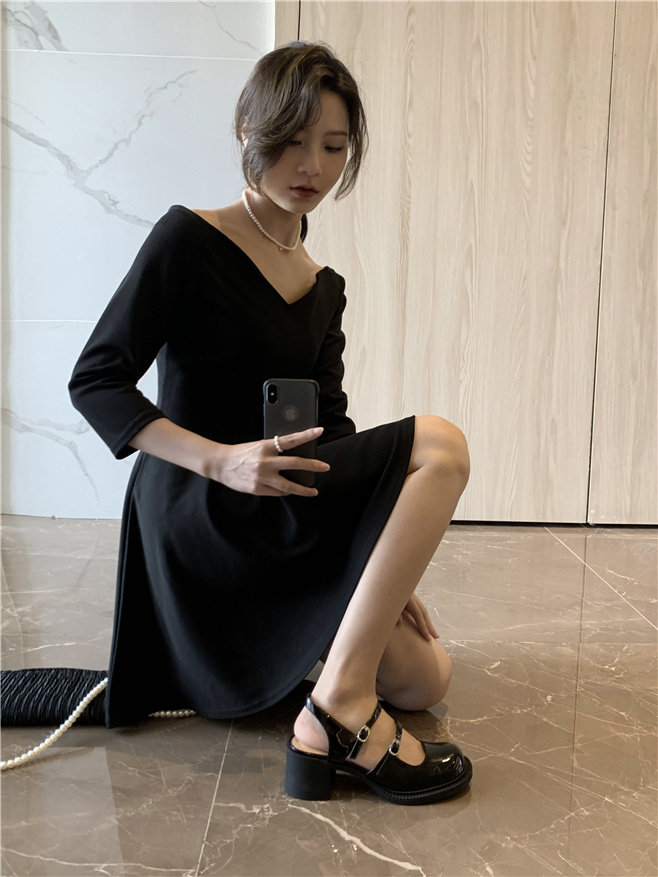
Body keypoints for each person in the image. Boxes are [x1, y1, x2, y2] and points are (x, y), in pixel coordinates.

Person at [69, 41, 472, 805]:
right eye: (291, 140)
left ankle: (331, 667)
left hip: (281, 500)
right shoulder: (188, 239)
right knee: (442, 446)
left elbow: (333, 430)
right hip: (200, 506)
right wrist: (221, 460)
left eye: (333, 146)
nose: (311, 166)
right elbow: (96, 380)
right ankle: (336, 708)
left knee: (426, 679)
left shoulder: (323, 286)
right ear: (246, 131)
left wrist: (379, 563)